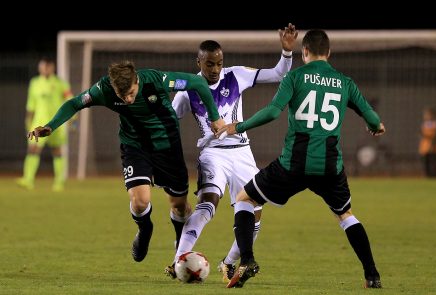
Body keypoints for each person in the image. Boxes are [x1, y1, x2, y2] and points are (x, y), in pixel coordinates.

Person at [217, 29, 386, 289]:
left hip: (293, 165)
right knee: (346, 215)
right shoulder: (344, 82)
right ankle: (372, 275)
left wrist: (237, 127)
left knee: (245, 199)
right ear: (328, 53)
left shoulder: (295, 77)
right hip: (330, 167)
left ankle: (247, 260)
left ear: (304, 51)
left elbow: (273, 112)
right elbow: (372, 118)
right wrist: (375, 126)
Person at [28, 60, 225, 263]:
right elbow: (75, 103)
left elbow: (198, 83)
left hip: (167, 145)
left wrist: (214, 116)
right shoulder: (103, 89)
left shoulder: (156, 80)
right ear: (114, 88)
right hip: (135, 146)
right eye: (123, 96)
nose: (128, 99)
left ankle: (179, 247)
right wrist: (51, 126)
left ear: (136, 81)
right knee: (140, 202)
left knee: (179, 206)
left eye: (131, 93)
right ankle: (145, 228)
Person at [165, 24, 298, 282]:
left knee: (254, 210)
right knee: (208, 202)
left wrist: (286, 51)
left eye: (219, 63)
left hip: (242, 153)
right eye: (209, 64)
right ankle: (178, 260)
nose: (215, 69)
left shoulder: (236, 75)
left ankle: (228, 263)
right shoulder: (187, 90)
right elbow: (170, 121)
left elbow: (279, 74)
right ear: (199, 62)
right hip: (212, 154)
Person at [16, 57, 73, 192]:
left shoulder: (61, 83)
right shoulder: (35, 83)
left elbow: (70, 101)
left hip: (55, 124)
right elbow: (31, 104)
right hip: (38, 123)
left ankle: (59, 182)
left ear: (53, 68)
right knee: (33, 149)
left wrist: (72, 120)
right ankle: (28, 180)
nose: (45, 69)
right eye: (43, 66)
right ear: (39, 68)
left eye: (48, 66)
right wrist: (28, 121)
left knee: (57, 151)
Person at [419, 106, 436, 177]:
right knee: (426, 163)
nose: (426, 116)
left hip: (434, 147)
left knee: (434, 163)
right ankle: (427, 175)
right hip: (425, 147)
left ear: (433, 115)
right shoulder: (424, 124)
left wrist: (433, 144)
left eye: (427, 114)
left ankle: (435, 176)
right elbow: (421, 134)